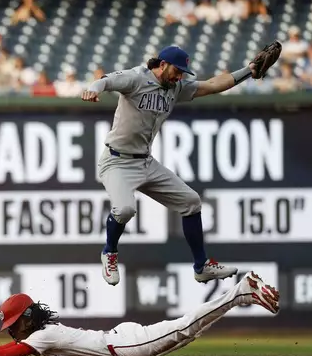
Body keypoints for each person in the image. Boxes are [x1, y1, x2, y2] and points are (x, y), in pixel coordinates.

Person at [80, 45, 277, 286]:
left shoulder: (175, 88)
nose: (180, 76)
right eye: (177, 70)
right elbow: (105, 81)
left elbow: (213, 85)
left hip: (145, 161)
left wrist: (249, 70)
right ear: (162, 65)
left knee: (191, 202)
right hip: (116, 161)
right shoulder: (136, 78)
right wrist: (92, 89)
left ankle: (201, 266)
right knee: (124, 209)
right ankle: (109, 252)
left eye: (183, 72)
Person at [0, 271, 279, 356]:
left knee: (185, 328)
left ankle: (240, 291)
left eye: (15, 323)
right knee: (184, 330)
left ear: (28, 318)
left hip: (125, 346)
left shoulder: (42, 336)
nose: (12, 331)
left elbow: (5, 355)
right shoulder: (44, 334)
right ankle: (240, 293)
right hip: (115, 338)